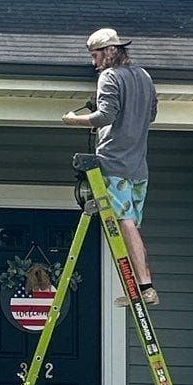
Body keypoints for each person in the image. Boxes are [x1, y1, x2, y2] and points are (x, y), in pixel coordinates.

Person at [62, 28, 159, 306]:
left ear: (108, 52)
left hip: (114, 163)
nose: (94, 63)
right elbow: (151, 114)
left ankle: (145, 287)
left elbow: (105, 116)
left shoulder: (110, 76)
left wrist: (73, 119)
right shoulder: (144, 76)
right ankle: (141, 287)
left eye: (95, 55)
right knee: (131, 227)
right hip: (139, 167)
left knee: (125, 225)